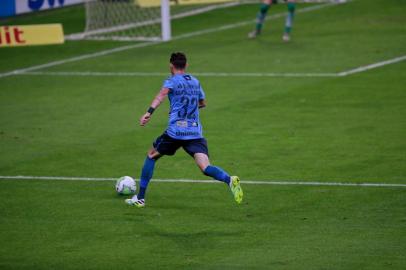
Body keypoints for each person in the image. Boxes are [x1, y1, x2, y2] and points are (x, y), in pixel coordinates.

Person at [125, 52, 243, 208]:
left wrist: (149, 112)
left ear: (171, 66)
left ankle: (140, 198)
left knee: (151, 155)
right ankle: (229, 180)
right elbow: (202, 103)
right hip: (194, 132)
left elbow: (161, 96)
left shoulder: (171, 81)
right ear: (186, 65)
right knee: (205, 167)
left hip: (176, 132)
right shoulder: (195, 81)